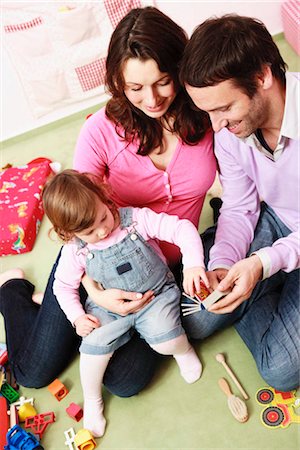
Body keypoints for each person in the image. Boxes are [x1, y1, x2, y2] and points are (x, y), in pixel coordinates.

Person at [0, 7, 216, 392]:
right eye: (135, 88)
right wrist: (94, 291)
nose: (151, 99)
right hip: (94, 266)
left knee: (124, 381)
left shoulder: (207, 117)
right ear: (118, 82)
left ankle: (47, 310)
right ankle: (14, 293)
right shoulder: (100, 131)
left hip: (160, 278)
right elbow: (74, 223)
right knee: (32, 373)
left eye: (163, 81)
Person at [179, 14, 300, 391]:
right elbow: (239, 206)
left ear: (262, 77)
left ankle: (267, 280)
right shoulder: (231, 132)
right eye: (208, 112)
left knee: (281, 371)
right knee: (197, 317)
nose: (215, 127)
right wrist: (224, 263)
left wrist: (262, 264)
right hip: (278, 219)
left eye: (224, 109)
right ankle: (265, 280)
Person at [42, 169, 208, 436]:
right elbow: (62, 285)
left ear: (104, 198)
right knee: (91, 350)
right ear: (68, 233)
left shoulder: (134, 220)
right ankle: (94, 400)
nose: (103, 230)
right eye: (89, 231)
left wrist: (193, 265)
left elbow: (181, 228)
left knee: (166, 340)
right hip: (107, 307)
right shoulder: (75, 250)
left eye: (104, 217)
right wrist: (77, 316)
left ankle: (183, 350)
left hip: (155, 296)